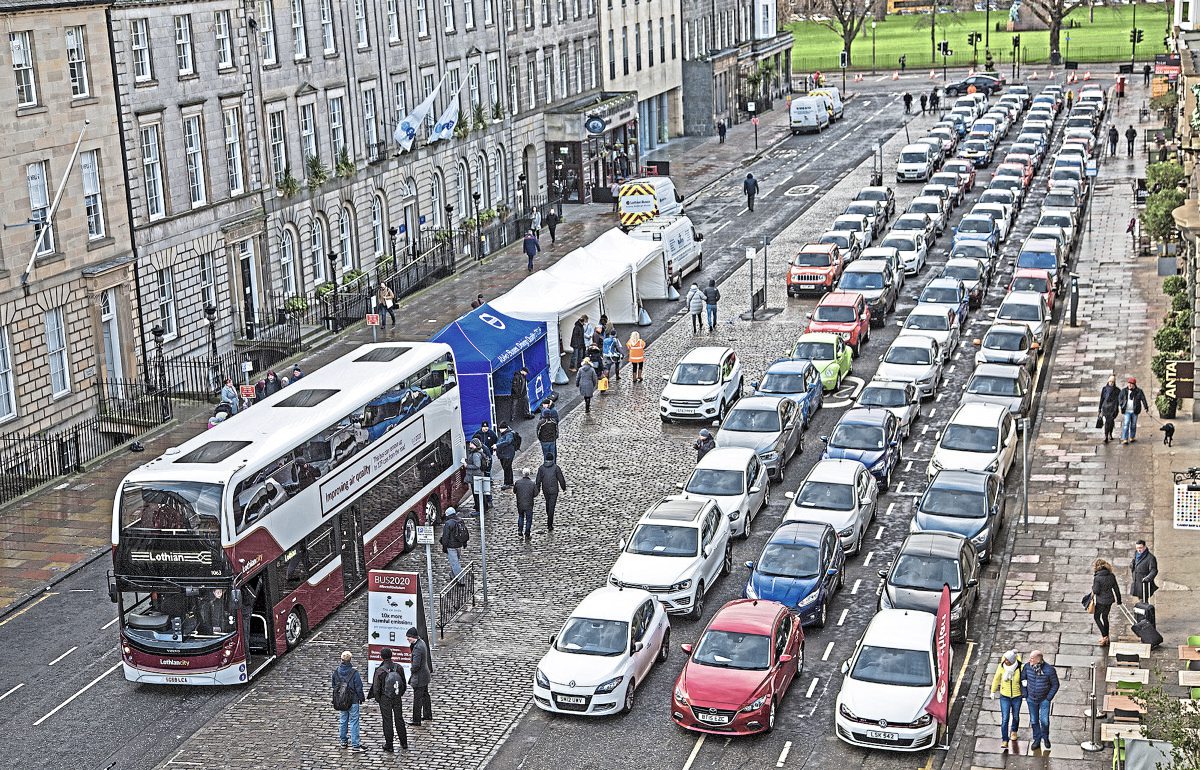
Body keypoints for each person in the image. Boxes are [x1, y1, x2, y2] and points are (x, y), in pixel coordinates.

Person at [368, 647, 408, 753]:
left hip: (385, 698)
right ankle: (404, 742)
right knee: (399, 719)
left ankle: (389, 744)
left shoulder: (379, 670)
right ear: (391, 655)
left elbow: (376, 688)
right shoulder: (398, 667)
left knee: (387, 720)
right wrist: (399, 694)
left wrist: (379, 699)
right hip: (396, 696)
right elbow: (403, 684)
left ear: (382, 657)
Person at [1021, 650, 1059, 752]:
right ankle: (1037, 740)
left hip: (1044, 700)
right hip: (1031, 699)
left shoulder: (1049, 670)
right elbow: (1022, 679)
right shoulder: (1027, 667)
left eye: (1032, 658)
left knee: (1044, 721)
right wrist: (1025, 694)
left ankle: (1045, 737)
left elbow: (1055, 685)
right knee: (1034, 720)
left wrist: (1048, 698)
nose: (1030, 660)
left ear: (1038, 659)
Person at [332, 650, 367, 752]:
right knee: (354, 721)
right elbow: (359, 687)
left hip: (341, 700)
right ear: (350, 660)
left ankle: (343, 741)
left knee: (343, 720)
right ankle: (355, 744)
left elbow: (334, 686)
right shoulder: (354, 673)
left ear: (341, 659)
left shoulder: (336, 672)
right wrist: (362, 698)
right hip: (353, 700)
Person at [990, 649, 1023, 749]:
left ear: (1012, 661)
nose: (1005, 661)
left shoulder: (1020, 668)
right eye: (1005, 659)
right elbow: (996, 679)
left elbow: (1025, 678)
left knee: (1016, 716)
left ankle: (1014, 731)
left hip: (1017, 696)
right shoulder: (1001, 667)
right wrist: (993, 691)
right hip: (1005, 696)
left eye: (1007, 660)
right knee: (1005, 719)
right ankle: (1005, 740)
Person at [1091, 558, 1122, 646]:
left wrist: (1093, 587)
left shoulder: (1097, 578)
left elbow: (1096, 591)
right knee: (1105, 617)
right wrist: (1119, 600)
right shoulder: (1111, 576)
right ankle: (1107, 638)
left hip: (1101, 601)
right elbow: (1116, 589)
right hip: (1109, 601)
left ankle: (1104, 636)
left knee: (1097, 617)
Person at [406, 628, 433, 726]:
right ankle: (427, 714)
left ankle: (416, 720)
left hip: (419, 677)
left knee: (417, 699)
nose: (407, 639)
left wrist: (411, 670)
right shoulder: (421, 642)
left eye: (409, 637)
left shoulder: (417, 648)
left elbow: (416, 665)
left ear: (413, 637)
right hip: (425, 675)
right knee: (425, 695)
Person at [535, 453, 567, 531]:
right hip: (554, 490)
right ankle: (550, 523)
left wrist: (537, 489)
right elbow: (561, 478)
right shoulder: (556, 468)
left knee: (548, 503)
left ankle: (549, 515)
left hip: (545, 489)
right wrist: (563, 487)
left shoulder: (541, 468)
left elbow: (538, 480)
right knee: (552, 506)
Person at [438, 507, 469, 577]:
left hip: (451, 547)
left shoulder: (448, 523)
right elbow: (464, 532)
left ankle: (461, 579)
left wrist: (444, 547)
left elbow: (445, 537)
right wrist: (464, 543)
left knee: (455, 563)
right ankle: (453, 575)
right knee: (455, 561)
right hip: (459, 545)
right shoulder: (460, 520)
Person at [1118, 376, 1149, 444]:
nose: (1129, 385)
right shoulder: (1124, 391)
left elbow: (1143, 399)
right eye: (1129, 383)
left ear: (1134, 384)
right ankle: (1125, 438)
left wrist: (1146, 407)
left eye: (1131, 384)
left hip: (1135, 411)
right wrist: (1122, 404)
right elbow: (1120, 398)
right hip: (1127, 411)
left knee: (1133, 424)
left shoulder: (1139, 391)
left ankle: (1132, 437)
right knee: (1126, 424)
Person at [464, 440, 489, 513]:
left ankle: (480, 509)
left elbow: (477, 465)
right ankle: (483, 507)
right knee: (479, 493)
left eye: (471, 443)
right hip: (477, 475)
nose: (470, 444)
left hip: (476, 476)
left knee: (477, 494)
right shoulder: (477, 452)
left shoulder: (475, 454)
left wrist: (466, 466)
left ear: (475, 445)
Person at [513, 467, 537, 541]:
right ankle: (527, 533)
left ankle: (520, 530)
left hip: (520, 503)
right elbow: (536, 493)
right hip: (529, 504)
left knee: (521, 516)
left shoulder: (518, 482)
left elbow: (514, 491)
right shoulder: (532, 484)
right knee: (529, 519)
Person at [495, 422, 518, 489]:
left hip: (507, 454)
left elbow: (508, 442)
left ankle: (507, 483)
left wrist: (497, 445)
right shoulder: (506, 433)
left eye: (500, 428)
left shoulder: (509, 434)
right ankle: (510, 482)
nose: (499, 430)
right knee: (508, 468)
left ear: (504, 428)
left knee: (506, 468)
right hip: (506, 454)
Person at [1098, 375, 1120, 443]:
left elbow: (1118, 400)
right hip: (1105, 408)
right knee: (1107, 422)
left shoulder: (1117, 390)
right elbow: (1102, 398)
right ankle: (1106, 436)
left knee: (1111, 422)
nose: (1111, 383)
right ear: (1108, 381)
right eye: (1110, 381)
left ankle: (1110, 433)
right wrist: (1099, 408)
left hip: (1113, 409)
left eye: (1112, 382)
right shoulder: (1104, 389)